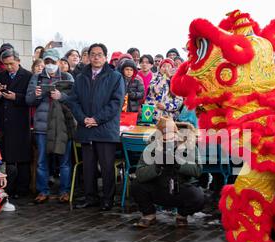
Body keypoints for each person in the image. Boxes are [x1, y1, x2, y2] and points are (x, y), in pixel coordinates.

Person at [68, 43, 125, 211]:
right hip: (86, 127)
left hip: (105, 129)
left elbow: (116, 103)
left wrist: (97, 119)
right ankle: (90, 197)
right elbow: (73, 100)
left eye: (99, 54)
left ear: (105, 58)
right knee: (88, 166)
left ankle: (108, 199)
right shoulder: (80, 77)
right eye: (93, 54)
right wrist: (83, 118)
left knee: (107, 166)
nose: (96, 57)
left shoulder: (115, 77)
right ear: (88, 57)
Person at [131, 116, 204, 228]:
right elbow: (140, 173)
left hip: (180, 188)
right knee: (136, 184)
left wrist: (179, 164)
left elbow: (198, 170)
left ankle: (182, 215)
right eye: (165, 139)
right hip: (157, 187)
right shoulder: (151, 147)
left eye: (171, 137)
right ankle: (149, 214)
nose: (169, 141)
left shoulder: (188, 145)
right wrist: (156, 167)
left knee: (198, 197)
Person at [26, 49, 75, 204]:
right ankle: (43, 191)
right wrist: (37, 94)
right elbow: (28, 100)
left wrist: (62, 96)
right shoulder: (36, 77)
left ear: (59, 62)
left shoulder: (67, 77)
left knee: (64, 160)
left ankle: (65, 191)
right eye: (46, 62)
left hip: (62, 125)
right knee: (41, 160)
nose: (49, 65)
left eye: (52, 62)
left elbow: (75, 100)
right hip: (42, 125)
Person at [0, 49, 32, 199]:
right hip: (4, 123)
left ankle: (23, 189)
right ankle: (9, 188)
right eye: (6, 65)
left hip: (20, 122)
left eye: (11, 64)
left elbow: (31, 99)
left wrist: (17, 97)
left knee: (22, 158)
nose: (9, 67)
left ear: (18, 61)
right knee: (7, 158)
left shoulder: (27, 76)